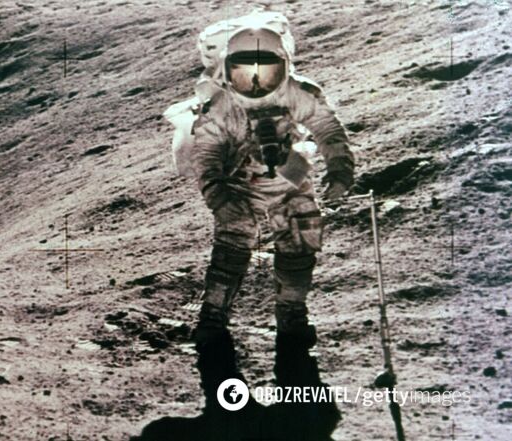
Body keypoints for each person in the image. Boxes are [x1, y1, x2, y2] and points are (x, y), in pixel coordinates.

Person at [155, 11, 354, 441]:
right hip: (238, 183)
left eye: (266, 70)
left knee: (299, 242)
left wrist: (340, 170)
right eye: (245, 71)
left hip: (288, 177)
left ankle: (291, 313)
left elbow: (328, 130)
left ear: (283, 64)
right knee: (232, 252)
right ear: (229, 70)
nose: (257, 81)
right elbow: (207, 157)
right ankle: (213, 318)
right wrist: (219, 197)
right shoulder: (222, 106)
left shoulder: (300, 93)